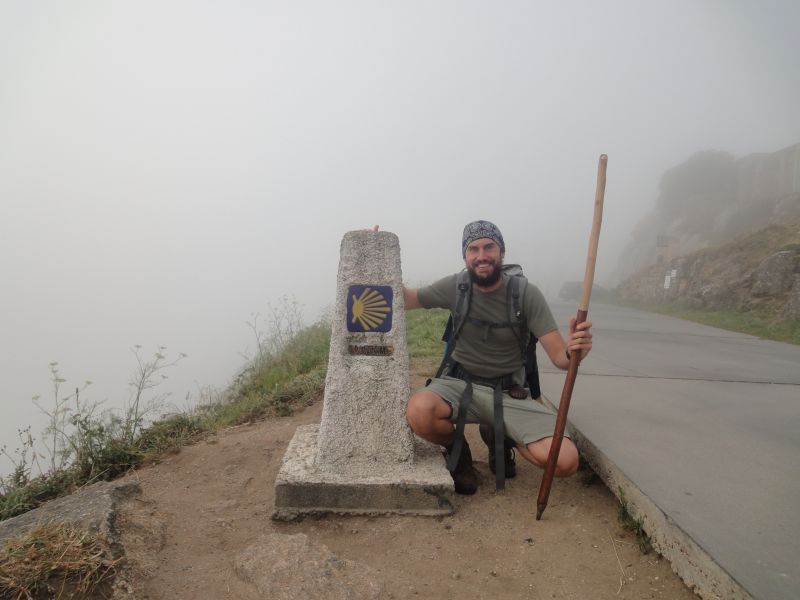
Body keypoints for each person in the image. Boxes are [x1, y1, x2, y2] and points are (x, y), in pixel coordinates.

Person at [403, 220, 593, 494]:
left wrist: (577, 350)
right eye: (473, 249)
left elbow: (561, 358)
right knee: (419, 412)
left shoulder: (526, 293)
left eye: (489, 247)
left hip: (508, 392)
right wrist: (376, 258)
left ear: (501, 252)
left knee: (564, 462)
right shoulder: (456, 287)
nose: (482, 255)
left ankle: (500, 434)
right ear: (466, 256)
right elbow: (406, 299)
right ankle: (460, 453)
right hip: (459, 385)